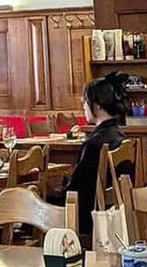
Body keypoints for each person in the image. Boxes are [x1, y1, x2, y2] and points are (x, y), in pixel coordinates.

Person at [55, 73, 132, 235]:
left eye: (85, 101)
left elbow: (75, 191)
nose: (83, 106)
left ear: (97, 106)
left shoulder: (94, 144)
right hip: (114, 216)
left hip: (89, 219)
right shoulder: (121, 138)